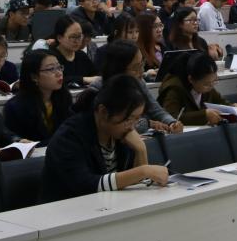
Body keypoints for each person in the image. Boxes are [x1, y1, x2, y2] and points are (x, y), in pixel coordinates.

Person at [41, 74, 169, 203]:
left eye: (137, 119)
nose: (132, 127)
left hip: (107, 206)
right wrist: (143, 171)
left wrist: (141, 150)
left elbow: (135, 185)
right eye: (129, 119)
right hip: (67, 209)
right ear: (103, 112)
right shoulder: (69, 136)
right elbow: (85, 185)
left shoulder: (122, 135)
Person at [92, 40, 181, 132]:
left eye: (142, 64)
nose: (141, 71)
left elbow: (156, 110)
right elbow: (118, 125)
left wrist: (171, 122)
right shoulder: (98, 88)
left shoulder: (139, 82)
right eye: (135, 68)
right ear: (118, 70)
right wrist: (148, 123)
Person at [3, 50, 72, 144]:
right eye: (51, 69)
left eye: (59, 67)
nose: (59, 73)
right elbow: (10, 138)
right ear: (34, 77)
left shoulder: (65, 98)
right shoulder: (15, 107)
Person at [158, 52, 236, 125]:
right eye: (206, 84)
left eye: (214, 81)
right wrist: (204, 115)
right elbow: (170, 116)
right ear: (191, 79)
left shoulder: (207, 85)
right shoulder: (174, 88)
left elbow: (220, 102)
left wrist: (232, 107)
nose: (211, 86)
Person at [47, 15, 98, 86]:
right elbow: (54, 79)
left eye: (79, 36)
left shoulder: (81, 56)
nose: (77, 41)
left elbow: (95, 75)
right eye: (73, 37)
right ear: (59, 38)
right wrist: (83, 79)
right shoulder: (50, 57)